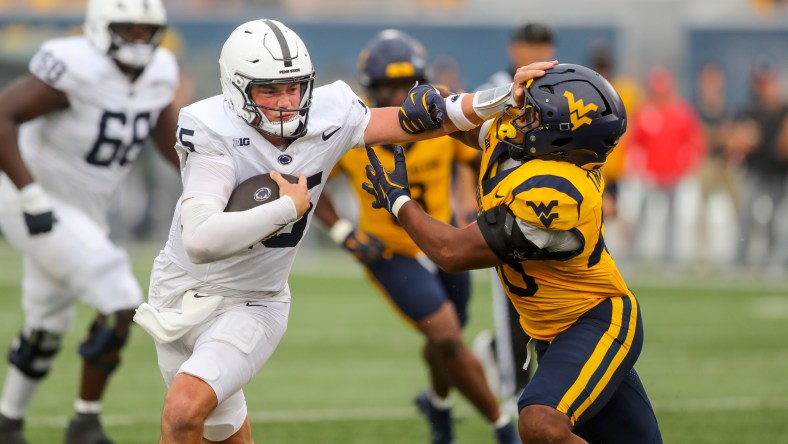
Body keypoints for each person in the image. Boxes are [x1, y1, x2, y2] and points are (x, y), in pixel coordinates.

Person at [133, 18, 556, 443]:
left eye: (294, 87)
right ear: (236, 88)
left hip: (253, 300)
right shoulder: (212, 129)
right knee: (219, 431)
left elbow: (425, 119)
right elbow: (199, 240)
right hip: (178, 292)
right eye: (269, 90)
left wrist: (503, 98)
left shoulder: (329, 112)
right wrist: (287, 208)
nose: (285, 101)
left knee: (185, 410)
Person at [363, 63, 663, 443]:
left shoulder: (560, 195)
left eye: (534, 114)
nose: (519, 117)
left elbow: (452, 251)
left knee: (541, 424)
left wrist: (399, 201)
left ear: (560, 137)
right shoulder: (532, 144)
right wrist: (434, 96)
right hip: (553, 330)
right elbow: (466, 123)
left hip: (595, 322)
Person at [314, 29, 517, 444]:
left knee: (447, 343)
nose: (399, 92)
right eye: (388, 85)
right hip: (390, 254)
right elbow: (309, 186)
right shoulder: (350, 131)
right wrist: (343, 232)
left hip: (443, 244)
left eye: (406, 83)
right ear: (371, 89)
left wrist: (465, 198)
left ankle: (438, 408)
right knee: (445, 334)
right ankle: (503, 428)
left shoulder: (439, 118)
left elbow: (471, 156)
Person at [0, 0, 179, 443]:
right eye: (127, 29)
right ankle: (85, 423)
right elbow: (2, 115)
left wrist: (210, 181)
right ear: (101, 28)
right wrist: (29, 191)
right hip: (34, 199)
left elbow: (166, 135)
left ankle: (7, 421)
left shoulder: (160, 72)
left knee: (48, 323)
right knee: (120, 296)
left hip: (85, 210)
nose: (138, 40)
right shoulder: (75, 66)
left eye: (145, 31)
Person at [473, 21, 556, 416]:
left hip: (548, 205)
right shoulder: (497, 86)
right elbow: (476, 138)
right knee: (511, 296)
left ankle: (502, 357)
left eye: (541, 43)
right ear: (514, 48)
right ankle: (513, 387)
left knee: (548, 296)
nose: (534, 51)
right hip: (505, 203)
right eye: (529, 44)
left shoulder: (559, 84)